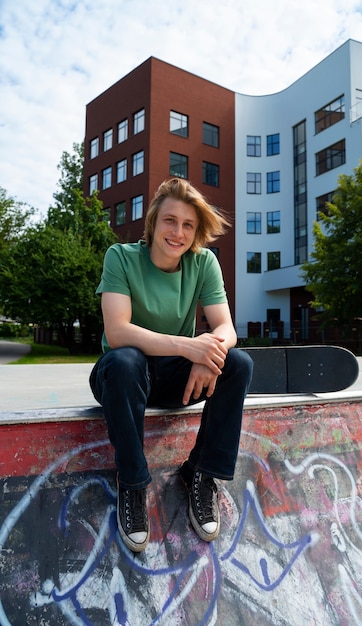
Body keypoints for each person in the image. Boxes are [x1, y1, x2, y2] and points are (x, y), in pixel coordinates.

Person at [89, 178, 253, 552]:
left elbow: (227, 329)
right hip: (123, 379)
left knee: (238, 364)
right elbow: (117, 332)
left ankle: (201, 473)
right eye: (170, 220)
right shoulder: (121, 257)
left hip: (177, 379)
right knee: (126, 360)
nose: (177, 232)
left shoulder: (203, 262)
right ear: (153, 221)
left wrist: (209, 358)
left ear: (196, 232)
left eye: (188, 225)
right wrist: (190, 347)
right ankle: (132, 484)